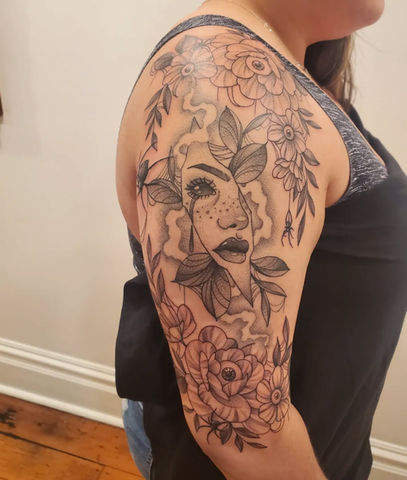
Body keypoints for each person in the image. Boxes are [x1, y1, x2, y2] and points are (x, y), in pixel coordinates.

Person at [115, 1, 407, 479]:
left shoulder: (282, 65)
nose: (233, 217)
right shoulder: (217, 80)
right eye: (205, 189)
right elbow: (243, 431)